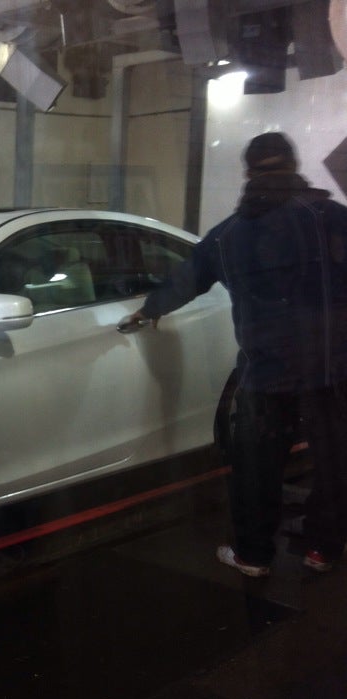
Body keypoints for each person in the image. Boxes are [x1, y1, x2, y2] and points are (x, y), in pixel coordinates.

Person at [124, 132, 347, 577]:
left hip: (265, 372)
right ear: (293, 164)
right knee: (335, 461)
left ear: (247, 172)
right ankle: (322, 549)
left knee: (256, 467)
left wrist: (148, 311)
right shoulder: (330, 217)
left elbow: (186, 280)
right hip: (331, 368)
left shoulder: (228, 235)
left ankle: (253, 555)